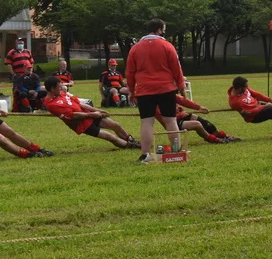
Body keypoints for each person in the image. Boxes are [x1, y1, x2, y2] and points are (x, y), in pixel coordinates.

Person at [126, 19, 187, 164]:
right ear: (159, 30)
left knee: (147, 122)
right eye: (163, 29)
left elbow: (130, 72)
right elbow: (176, 67)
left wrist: (131, 91)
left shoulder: (135, 48)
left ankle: (145, 155)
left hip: (144, 90)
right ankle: (176, 152)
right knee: (171, 120)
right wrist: (181, 86)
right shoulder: (167, 46)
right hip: (166, 88)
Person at [43, 76, 140, 150]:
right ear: (52, 89)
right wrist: (92, 114)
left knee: (115, 125)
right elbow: (73, 115)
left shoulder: (61, 94)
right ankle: (130, 146)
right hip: (82, 124)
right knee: (110, 136)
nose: (61, 89)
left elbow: (79, 103)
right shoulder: (51, 105)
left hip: (89, 114)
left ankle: (131, 140)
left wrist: (97, 110)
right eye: (59, 87)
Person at [157, 93, 241, 144]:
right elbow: (163, 119)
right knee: (197, 124)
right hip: (172, 123)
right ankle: (213, 139)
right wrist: (181, 115)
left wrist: (199, 107)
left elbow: (183, 101)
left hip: (181, 116)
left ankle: (222, 135)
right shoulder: (156, 102)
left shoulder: (169, 93)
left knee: (202, 121)